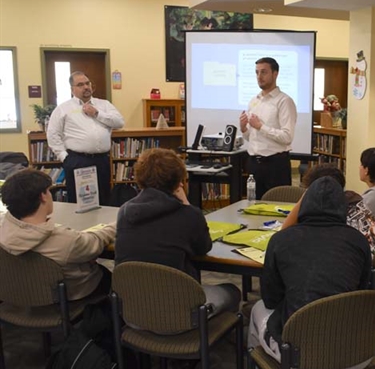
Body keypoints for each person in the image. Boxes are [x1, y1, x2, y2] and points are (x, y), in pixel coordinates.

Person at [247, 176, 372, 369]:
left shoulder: (281, 240)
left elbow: (271, 299)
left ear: (303, 204)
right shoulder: (358, 242)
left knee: (256, 309)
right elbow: (363, 294)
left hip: (298, 360)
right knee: (342, 309)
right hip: (357, 356)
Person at [114, 148, 240, 326]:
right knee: (233, 292)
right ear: (179, 181)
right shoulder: (188, 215)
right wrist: (188, 205)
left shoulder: (124, 211)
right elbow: (204, 247)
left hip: (133, 311)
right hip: (179, 313)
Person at [0, 169, 114, 300]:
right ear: (42, 196)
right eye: (49, 191)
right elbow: (95, 240)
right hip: (64, 307)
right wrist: (117, 224)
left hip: (15, 305)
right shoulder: (66, 240)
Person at [47, 71, 125, 205]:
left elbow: (119, 122)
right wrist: (64, 157)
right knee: (81, 202)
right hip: (78, 160)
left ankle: (102, 226)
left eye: (87, 83)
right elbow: (53, 134)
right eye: (80, 84)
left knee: (104, 200)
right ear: (72, 89)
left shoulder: (104, 105)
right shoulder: (63, 109)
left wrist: (97, 114)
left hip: (102, 160)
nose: (86, 87)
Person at [281, 163, 375, 257]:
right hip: (373, 268)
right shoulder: (354, 200)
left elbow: (282, 234)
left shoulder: (326, 214)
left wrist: (306, 195)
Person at [239, 57, 297, 199]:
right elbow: (252, 137)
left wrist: (261, 126)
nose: (259, 76)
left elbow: (287, 137)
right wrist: (244, 129)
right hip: (254, 164)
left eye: (264, 72)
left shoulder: (284, 101)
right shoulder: (254, 101)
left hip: (275, 165)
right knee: (253, 207)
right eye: (257, 72)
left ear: (275, 74)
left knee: (276, 207)